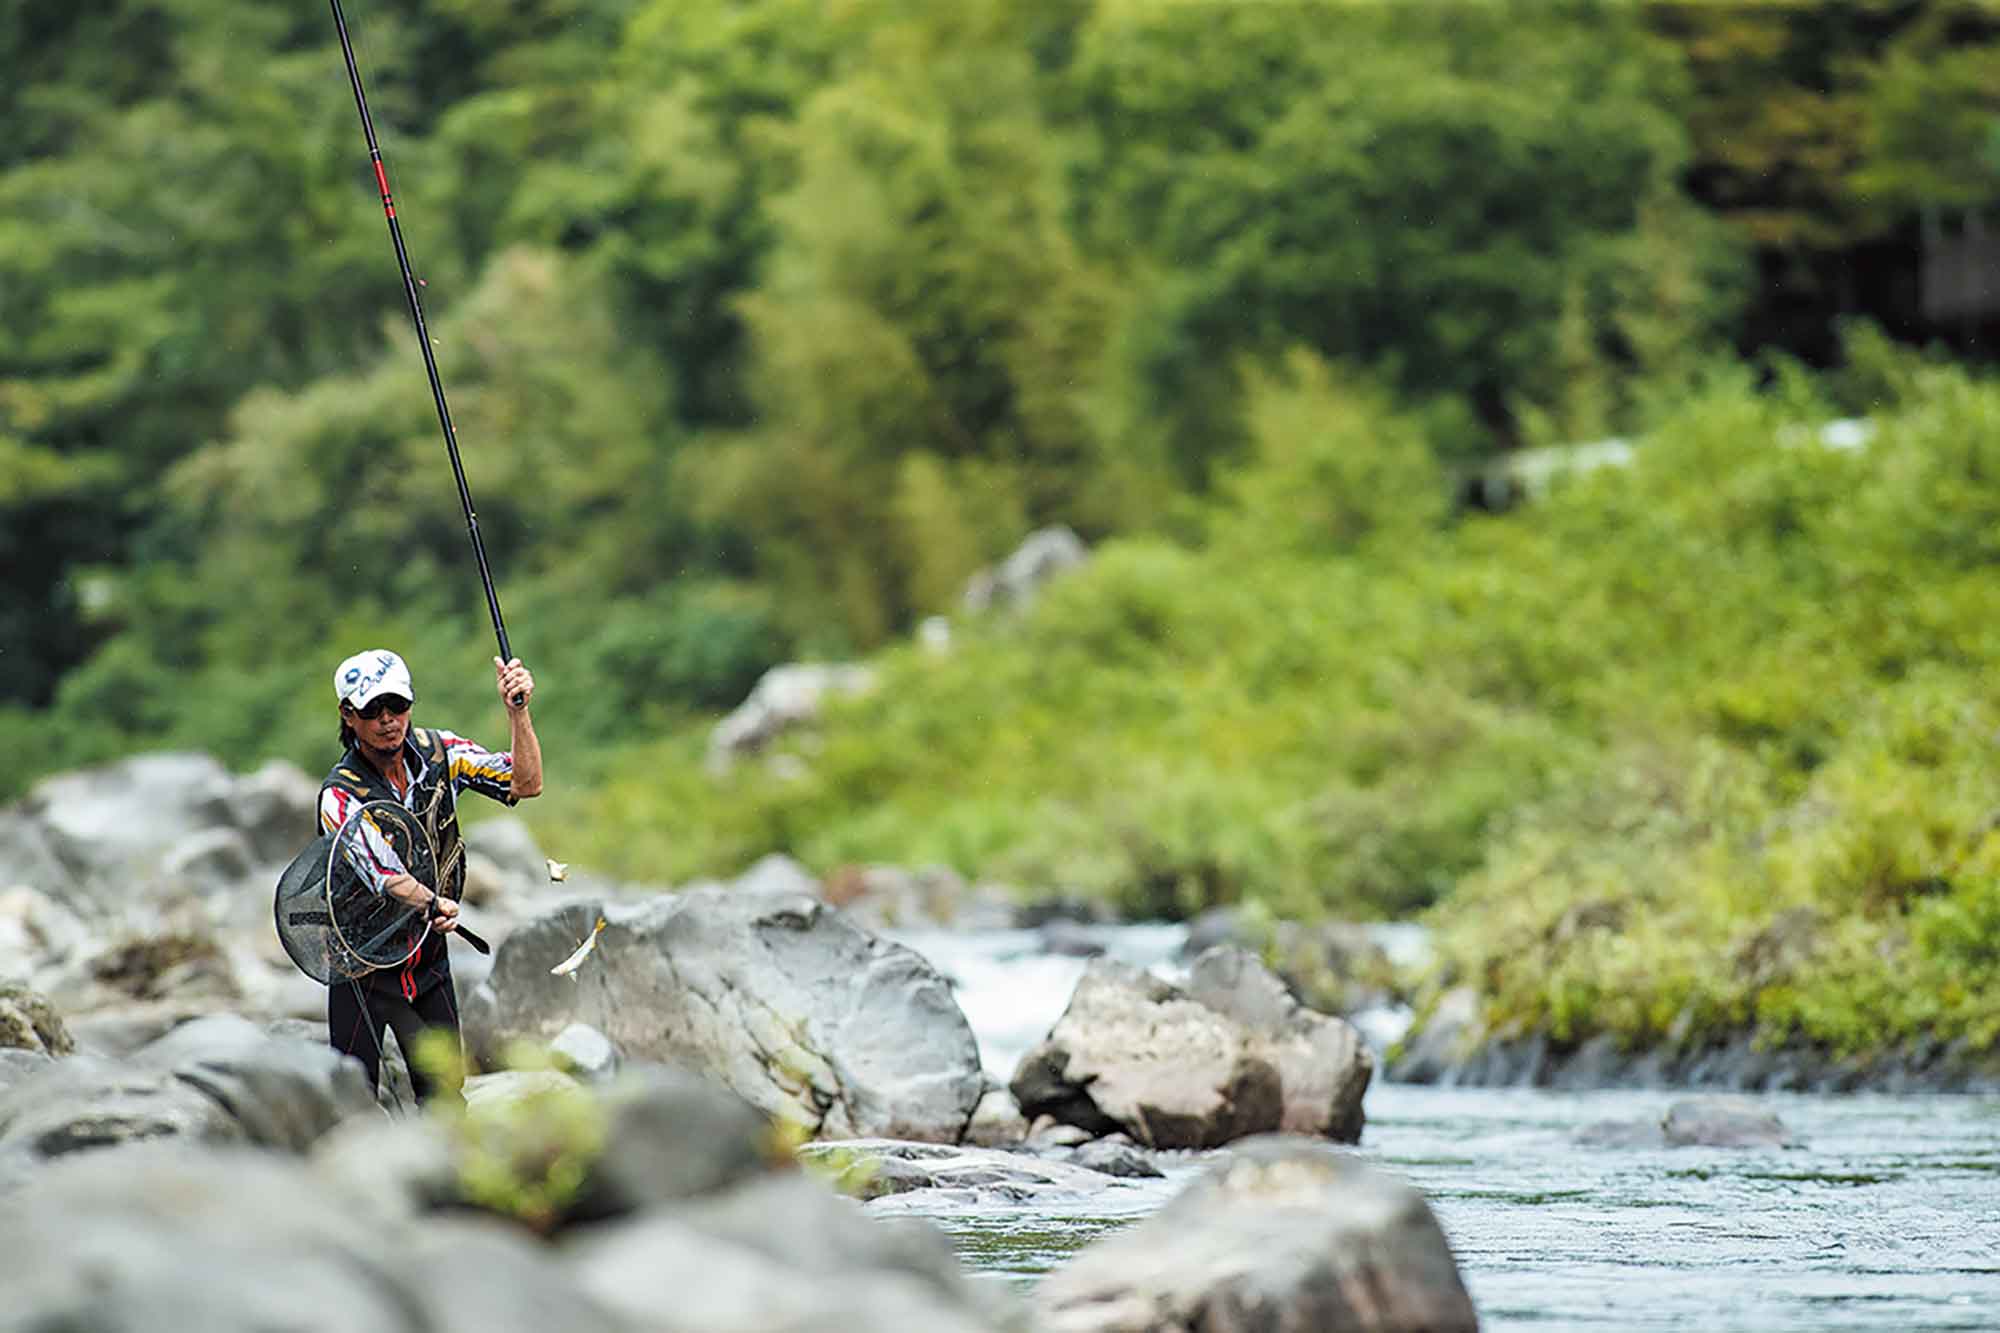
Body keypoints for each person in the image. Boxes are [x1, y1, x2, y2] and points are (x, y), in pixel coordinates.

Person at [319, 648, 541, 1103]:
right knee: (355, 1094)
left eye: (396, 705)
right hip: (362, 963)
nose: (387, 720)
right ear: (348, 715)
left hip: (426, 953)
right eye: (371, 710)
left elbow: (525, 783)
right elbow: (384, 873)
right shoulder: (339, 797)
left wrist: (517, 712)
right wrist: (430, 901)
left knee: (444, 1090)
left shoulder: (444, 753)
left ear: (410, 703)